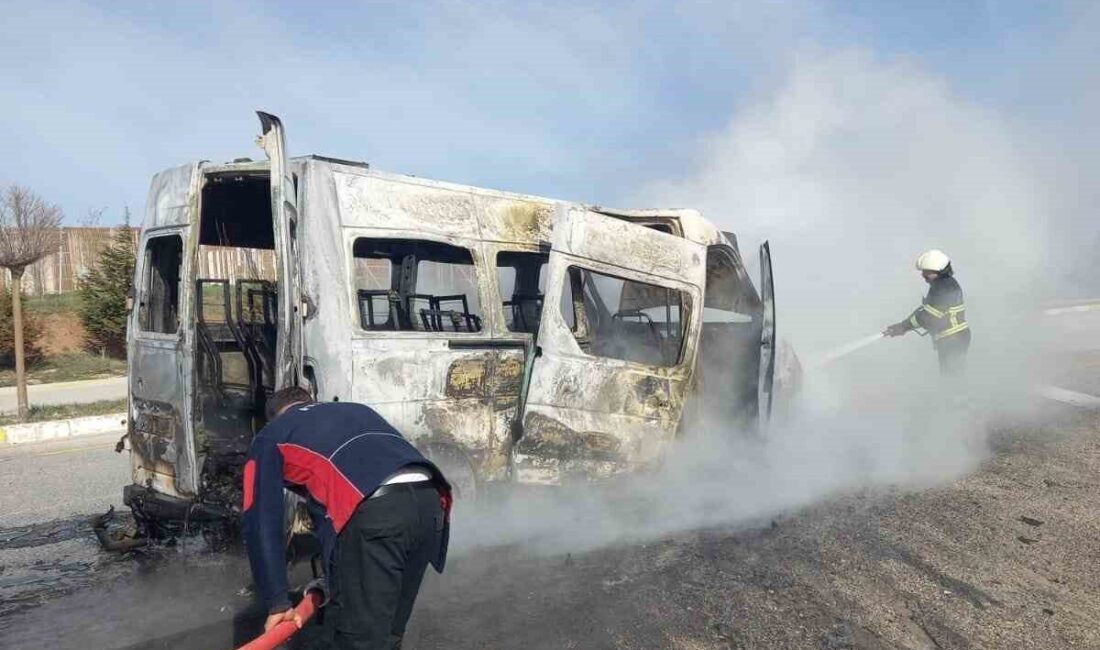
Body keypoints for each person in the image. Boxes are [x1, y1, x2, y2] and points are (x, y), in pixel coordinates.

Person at [242, 386, 452, 649]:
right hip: (431, 501)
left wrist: (277, 602)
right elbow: (334, 503)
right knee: (389, 633)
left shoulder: (272, 434)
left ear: (274, 417)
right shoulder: (356, 409)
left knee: (359, 639)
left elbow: (260, 521)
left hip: (379, 512)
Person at [883, 249, 971, 375]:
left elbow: (927, 317)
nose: (923, 275)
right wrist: (903, 325)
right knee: (953, 376)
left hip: (952, 339)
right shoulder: (946, 284)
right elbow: (925, 311)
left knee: (952, 379)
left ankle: (957, 395)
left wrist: (903, 327)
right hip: (955, 337)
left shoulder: (942, 287)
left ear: (938, 270)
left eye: (926, 272)